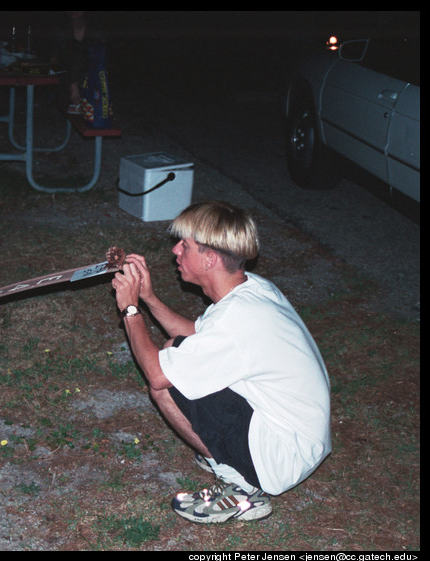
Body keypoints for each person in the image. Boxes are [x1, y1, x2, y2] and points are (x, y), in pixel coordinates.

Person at [111, 201, 331, 524]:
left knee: (166, 386)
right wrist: (148, 298)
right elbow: (196, 333)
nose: (175, 251)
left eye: (185, 245)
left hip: (283, 455)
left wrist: (130, 311)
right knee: (177, 347)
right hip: (301, 436)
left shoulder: (238, 320)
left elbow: (157, 375)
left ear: (210, 258)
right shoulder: (250, 288)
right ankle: (230, 451)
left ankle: (243, 486)